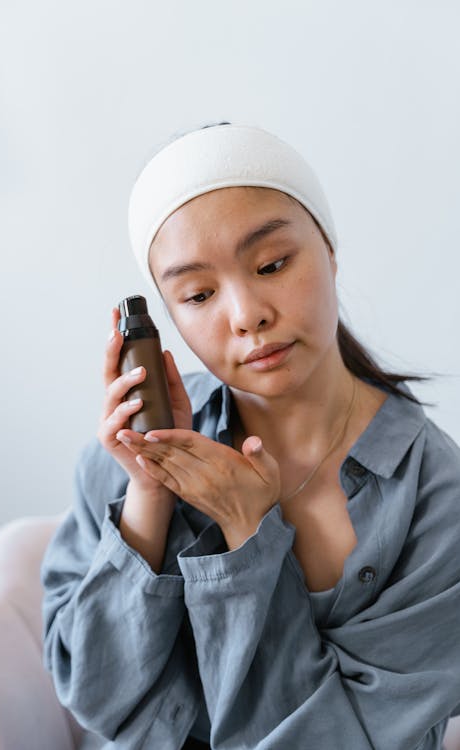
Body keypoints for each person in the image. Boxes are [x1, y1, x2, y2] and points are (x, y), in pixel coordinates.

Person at [40, 122, 460, 750]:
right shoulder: (128, 457)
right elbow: (96, 699)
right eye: (199, 293)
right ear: (169, 315)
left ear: (330, 249)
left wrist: (249, 541)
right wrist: (149, 497)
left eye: (271, 264)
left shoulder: (435, 497)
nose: (246, 315)